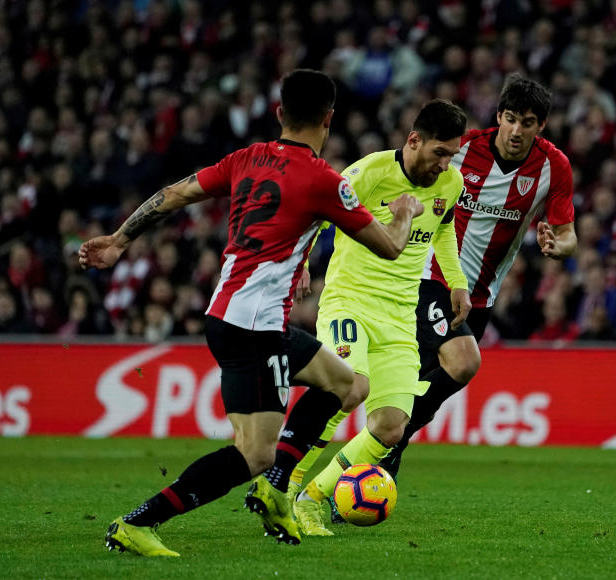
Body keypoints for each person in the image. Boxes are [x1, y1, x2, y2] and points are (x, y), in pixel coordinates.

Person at [79, 69, 424, 555]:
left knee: (347, 385)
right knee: (254, 453)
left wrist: (119, 239)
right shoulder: (325, 181)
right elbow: (389, 247)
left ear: (280, 112)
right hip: (255, 328)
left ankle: (276, 490)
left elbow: (173, 194)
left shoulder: (245, 159)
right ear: (329, 119)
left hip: (233, 313)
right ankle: (138, 523)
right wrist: (404, 214)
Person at [286, 74, 577, 497]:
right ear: (499, 116)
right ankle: (334, 463)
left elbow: (568, 235)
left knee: (406, 398)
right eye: (511, 118)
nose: (517, 130)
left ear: (541, 126)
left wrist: (558, 246)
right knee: (461, 361)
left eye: (528, 123)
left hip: (478, 294)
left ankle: (364, 460)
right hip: (424, 279)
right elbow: (411, 173)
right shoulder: (460, 151)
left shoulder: (554, 167)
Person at [255, 99, 470, 536]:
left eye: (452, 154)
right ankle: (283, 486)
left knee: (391, 428)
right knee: (348, 389)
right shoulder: (369, 173)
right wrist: (301, 264)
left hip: (400, 316)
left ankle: (312, 499)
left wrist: (457, 280)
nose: (445, 164)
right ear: (414, 140)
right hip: (350, 302)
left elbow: (444, 226)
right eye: (439, 153)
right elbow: (315, 212)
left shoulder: (451, 182)